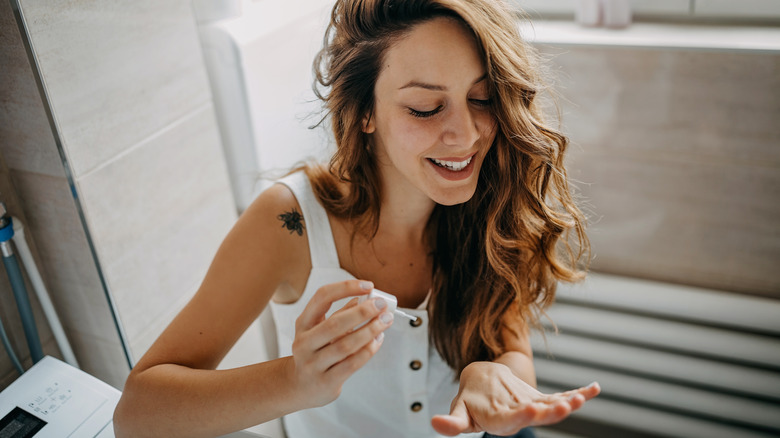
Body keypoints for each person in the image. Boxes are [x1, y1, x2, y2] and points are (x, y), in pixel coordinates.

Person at [113, 0, 600, 437]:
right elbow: (137, 415)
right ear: (365, 111)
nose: (466, 133)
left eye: (481, 98)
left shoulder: (495, 200)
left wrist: (494, 376)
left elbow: (514, 357)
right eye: (426, 108)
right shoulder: (290, 222)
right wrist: (294, 382)